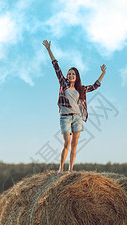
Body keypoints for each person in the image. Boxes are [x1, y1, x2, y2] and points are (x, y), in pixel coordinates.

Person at [42, 40, 106, 173]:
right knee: (66, 143)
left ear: (76, 77)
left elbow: (94, 86)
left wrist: (103, 73)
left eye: (73, 74)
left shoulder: (81, 89)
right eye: (69, 73)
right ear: (67, 76)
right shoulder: (63, 83)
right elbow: (56, 66)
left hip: (77, 117)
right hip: (65, 118)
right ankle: (61, 169)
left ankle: (71, 170)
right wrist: (49, 49)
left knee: (75, 144)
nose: (71, 75)